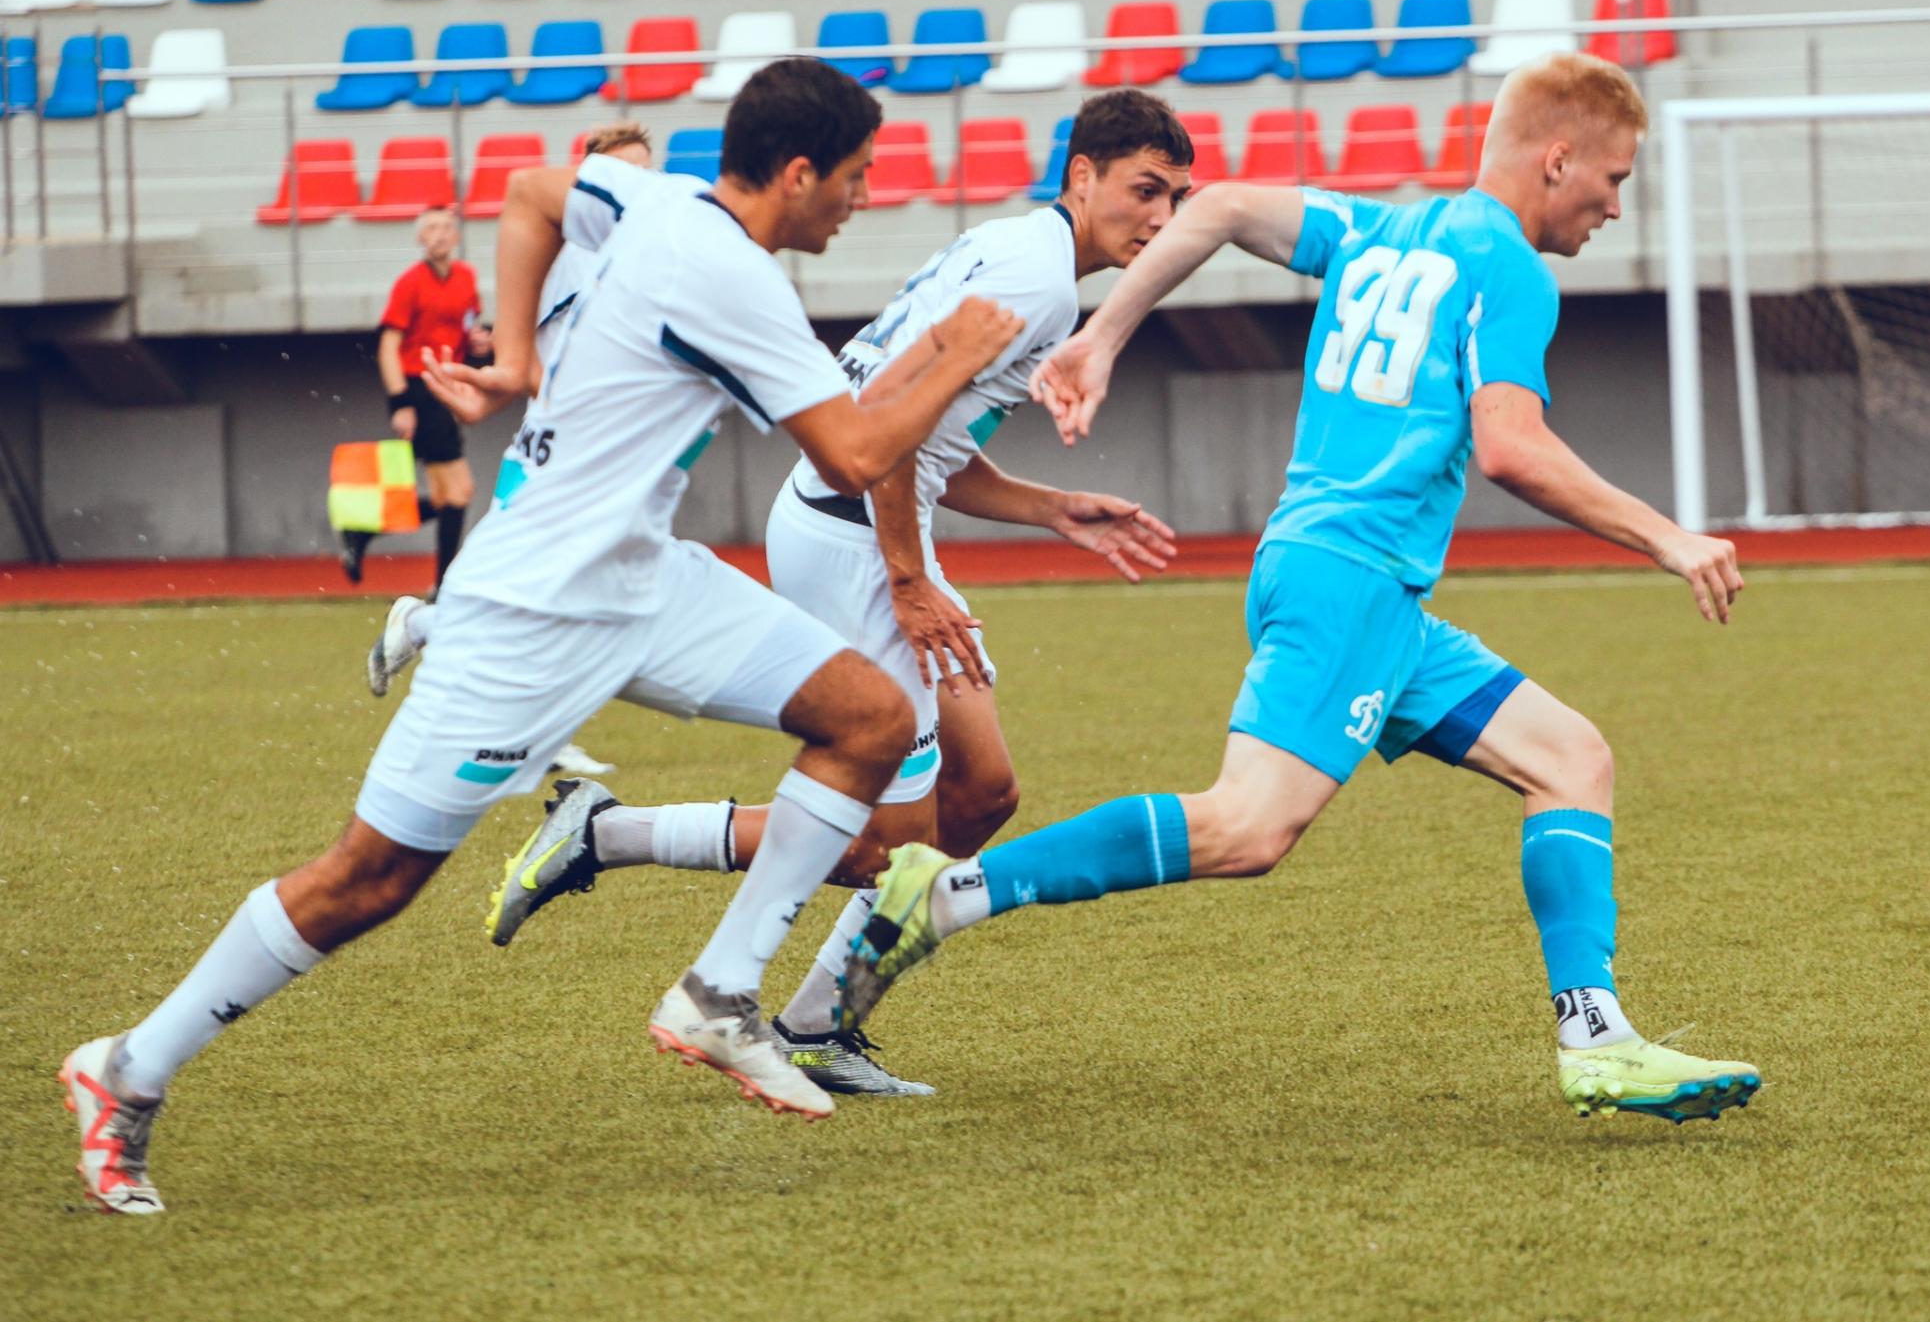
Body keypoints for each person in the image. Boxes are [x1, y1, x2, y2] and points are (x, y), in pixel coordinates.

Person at [57, 59, 1025, 1214]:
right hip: (533, 613)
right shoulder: (732, 277)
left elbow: (527, 193)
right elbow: (857, 456)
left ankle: (720, 991)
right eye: (857, 176)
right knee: (368, 878)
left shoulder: (653, 197)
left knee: (871, 714)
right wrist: (958, 352)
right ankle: (127, 1068)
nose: (864, 198)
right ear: (801, 171)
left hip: (644, 581)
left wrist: (516, 357)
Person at [835, 53, 1763, 1125]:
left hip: (1360, 589)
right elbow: (1511, 446)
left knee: (1571, 757)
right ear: (1558, 160)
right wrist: (1667, 536)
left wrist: (1103, 335)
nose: (1616, 204)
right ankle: (950, 889)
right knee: (1245, 828)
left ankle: (1596, 1036)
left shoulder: (1382, 228)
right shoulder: (1509, 268)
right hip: (1350, 582)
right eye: (1614, 177)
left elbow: (1223, 206)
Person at [479, 91, 1192, 1097]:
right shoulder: (1037, 281)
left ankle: (819, 1020)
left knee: (982, 792)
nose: (1162, 218)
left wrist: (1050, 508)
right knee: (882, 843)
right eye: (1145, 190)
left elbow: (925, 442)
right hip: (854, 536)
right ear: (1083, 176)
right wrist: (906, 579)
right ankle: (605, 835)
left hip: (863, 523)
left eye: (1178, 199)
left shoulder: (1022, 253)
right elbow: (883, 417)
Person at [367, 122, 657, 780]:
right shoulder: (572, 256)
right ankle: (437, 644)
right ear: (588, 183)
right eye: (623, 173)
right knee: (553, 597)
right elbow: (528, 363)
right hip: (562, 453)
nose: (638, 187)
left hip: (594, 456)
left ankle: (439, 640)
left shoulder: (632, 255)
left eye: (647, 173)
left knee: (559, 598)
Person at [341, 205, 484, 589]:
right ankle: (443, 586)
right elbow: (389, 347)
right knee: (459, 492)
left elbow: (468, 328)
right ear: (420, 238)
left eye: (447, 227)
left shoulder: (467, 277)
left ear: (457, 236)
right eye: (432, 228)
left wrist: (478, 341)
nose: (440, 234)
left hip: (446, 387)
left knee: (446, 498)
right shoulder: (410, 283)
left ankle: (362, 531)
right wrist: (401, 403)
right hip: (420, 388)